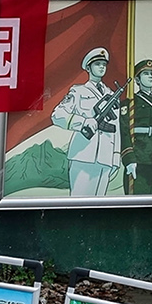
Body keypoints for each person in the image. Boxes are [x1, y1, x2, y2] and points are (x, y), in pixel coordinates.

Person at [50, 47, 120, 198]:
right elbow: (57, 115)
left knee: (100, 204)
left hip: (105, 157)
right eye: (97, 64)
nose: (101, 67)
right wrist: (83, 122)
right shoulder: (78, 91)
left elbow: (116, 128)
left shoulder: (111, 94)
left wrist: (115, 157)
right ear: (88, 68)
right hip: (83, 155)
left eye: (104, 64)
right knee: (79, 201)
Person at [119, 61, 152, 195]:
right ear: (137, 80)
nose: (150, 76)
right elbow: (125, 132)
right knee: (137, 203)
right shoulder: (130, 103)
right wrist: (129, 160)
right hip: (139, 159)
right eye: (146, 74)